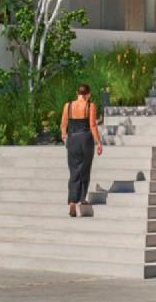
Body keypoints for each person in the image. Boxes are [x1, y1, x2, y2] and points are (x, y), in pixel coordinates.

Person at [60, 84, 103, 217]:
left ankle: (72, 202)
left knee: (74, 170)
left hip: (72, 139)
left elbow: (63, 124)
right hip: (85, 139)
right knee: (85, 168)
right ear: (88, 94)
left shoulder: (68, 105)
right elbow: (93, 125)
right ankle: (82, 199)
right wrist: (98, 142)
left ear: (77, 93)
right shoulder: (90, 105)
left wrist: (64, 135)